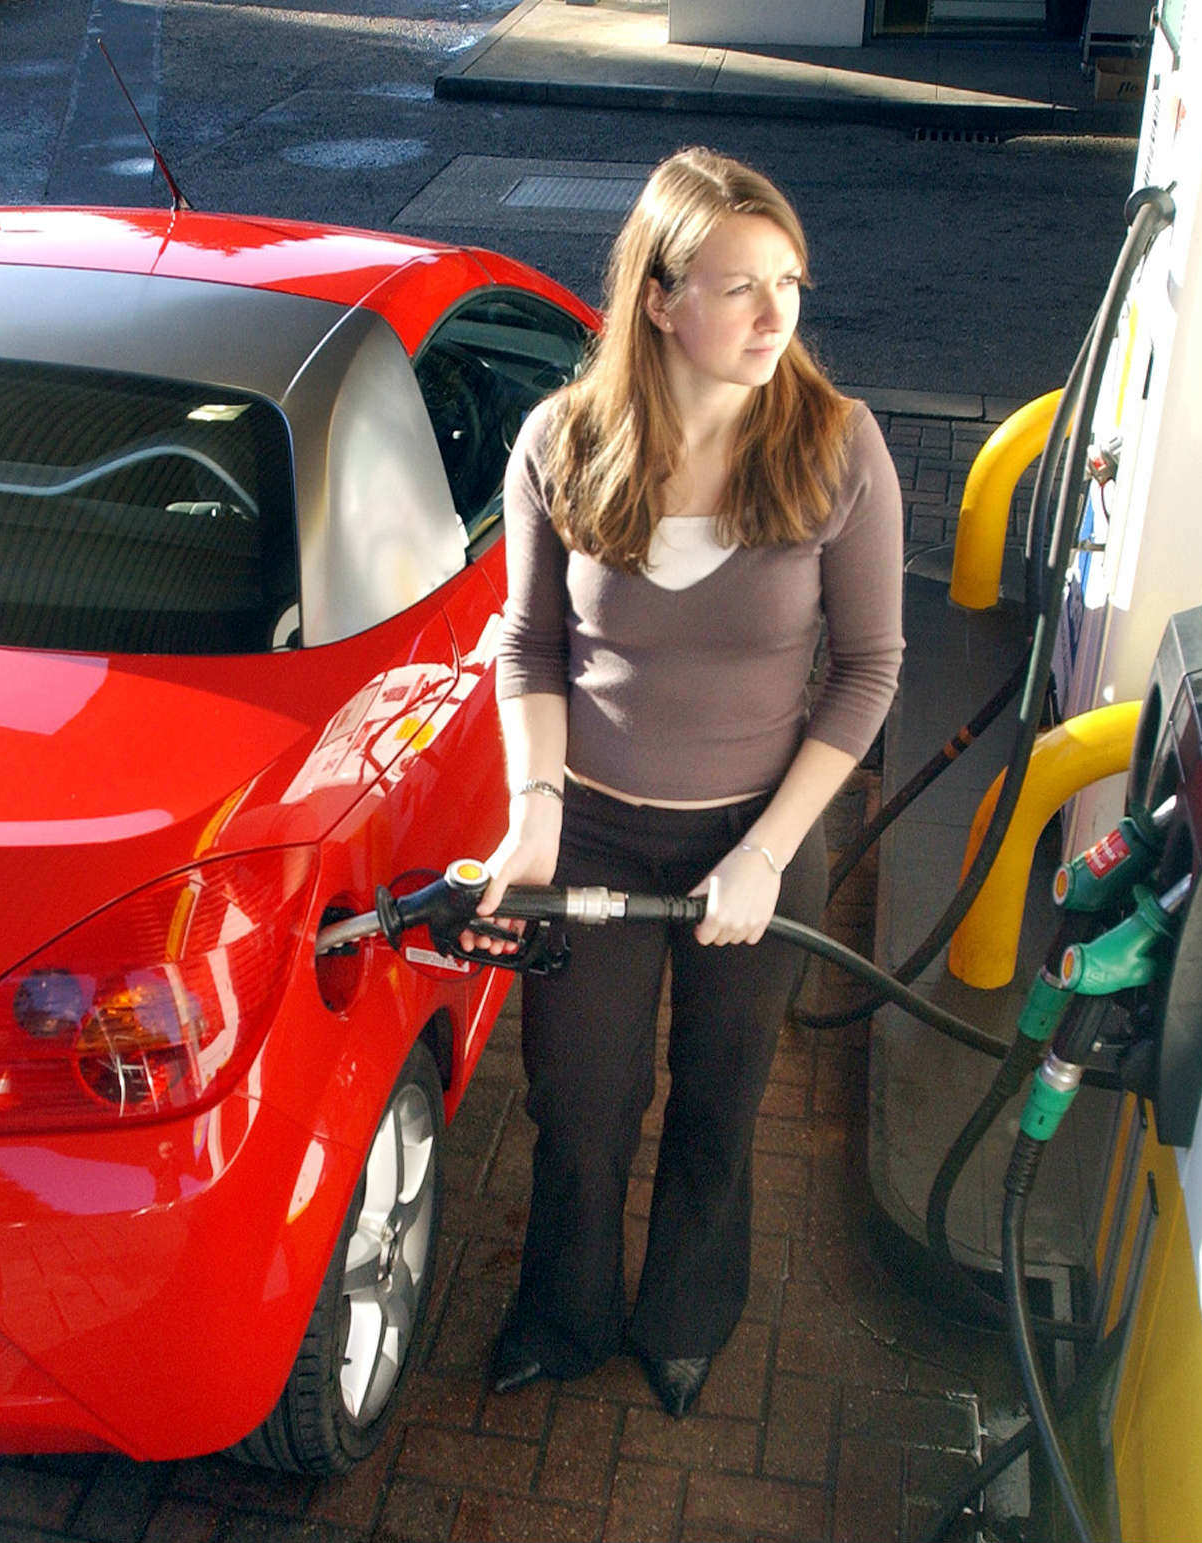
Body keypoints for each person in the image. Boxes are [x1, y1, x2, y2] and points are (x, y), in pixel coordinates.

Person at [468, 147, 904, 1417]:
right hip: (594, 832)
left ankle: (686, 1316)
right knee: (581, 1102)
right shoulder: (560, 440)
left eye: (790, 285)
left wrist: (765, 851)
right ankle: (562, 1314)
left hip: (756, 838)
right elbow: (530, 645)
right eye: (738, 287)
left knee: (720, 1099)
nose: (775, 319)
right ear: (658, 297)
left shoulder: (837, 447)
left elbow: (869, 670)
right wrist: (533, 815)